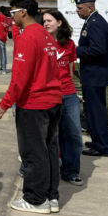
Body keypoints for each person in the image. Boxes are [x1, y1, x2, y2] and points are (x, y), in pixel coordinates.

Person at [0, 0, 62, 214]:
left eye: (13, 13)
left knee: (33, 153)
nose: (11, 17)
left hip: (34, 104)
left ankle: (35, 198)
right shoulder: (46, 35)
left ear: (23, 11)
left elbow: (20, 78)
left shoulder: (28, 36)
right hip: (52, 101)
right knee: (50, 150)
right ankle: (51, 196)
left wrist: (4, 103)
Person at [75, 0, 108, 157]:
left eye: (80, 8)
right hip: (92, 73)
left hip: (96, 75)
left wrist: (75, 51)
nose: (77, 11)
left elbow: (97, 49)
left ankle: (102, 146)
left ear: (90, 7)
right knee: (91, 110)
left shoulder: (95, 23)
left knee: (96, 111)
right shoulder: (92, 21)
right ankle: (96, 141)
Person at [43, 10, 84, 185]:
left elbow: (69, 70)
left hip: (68, 94)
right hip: (47, 95)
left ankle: (70, 171)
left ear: (60, 23)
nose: (45, 23)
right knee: (44, 136)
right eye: (43, 21)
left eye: (49, 20)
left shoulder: (69, 44)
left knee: (74, 134)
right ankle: (34, 169)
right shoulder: (39, 42)